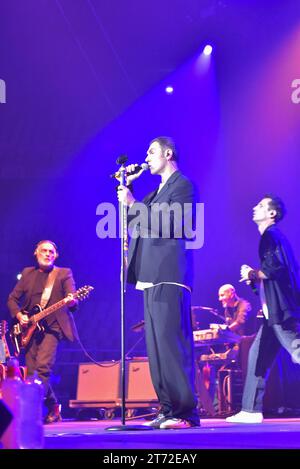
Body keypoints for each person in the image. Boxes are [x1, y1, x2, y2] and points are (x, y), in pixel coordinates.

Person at [117, 136, 200, 429]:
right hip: (149, 276)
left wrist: (133, 204)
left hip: (169, 274)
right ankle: (167, 408)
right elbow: (137, 219)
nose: (147, 157)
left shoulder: (182, 186)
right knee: (156, 347)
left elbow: (175, 224)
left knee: (172, 344)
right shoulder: (154, 194)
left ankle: (186, 412)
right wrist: (129, 190)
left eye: (151, 151)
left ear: (168, 153)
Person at [226, 195, 300, 423]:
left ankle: (250, 410)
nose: (254, 207)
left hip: (281, 312)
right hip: (272, 314)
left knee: (297, 350)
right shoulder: (270, 237)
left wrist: (252, 273)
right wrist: (255, 281)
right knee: (257, 358)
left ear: (272, 214)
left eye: (260, 205)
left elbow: (275, 269)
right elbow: (274, 278)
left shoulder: (271, 235)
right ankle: (250, 410)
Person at [7, 240, 78, 424]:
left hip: (53, 328)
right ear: (36, 253)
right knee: (31, 373)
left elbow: (73, 298)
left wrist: (71, 301)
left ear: (56, 255)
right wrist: (19, 315)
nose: (48, 254)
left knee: (43, 368)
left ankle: (32, 410)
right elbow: (12, 299)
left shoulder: (63, 273)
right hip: (30, 329)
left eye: (51, 252)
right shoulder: (27, 273)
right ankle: (54, 405)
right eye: (44, 251)